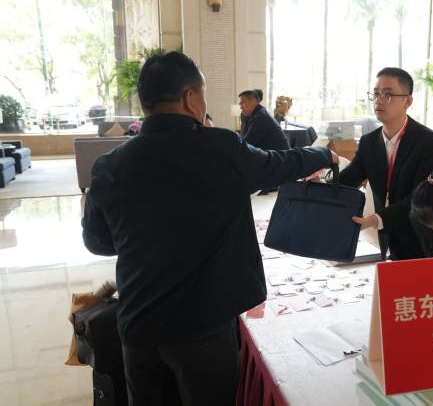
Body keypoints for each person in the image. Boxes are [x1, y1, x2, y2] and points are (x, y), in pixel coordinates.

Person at [81, 52, 338, 405]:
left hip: (139, 324)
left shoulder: (110, 165)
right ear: (190, 98)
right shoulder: (220, 148)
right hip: (203, 327)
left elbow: (97, 242)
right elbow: (277, 165)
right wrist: (323, 155)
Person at [338, 67, 433, 260]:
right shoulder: (369, 142)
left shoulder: (431, 144)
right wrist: (321, 183)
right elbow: (347, 180)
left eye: (387, 94)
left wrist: (376, 219)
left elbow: (420, 198)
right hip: (388, 236)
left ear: (408, 101)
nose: (379, 100)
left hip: (421, 239)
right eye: (376, 93)